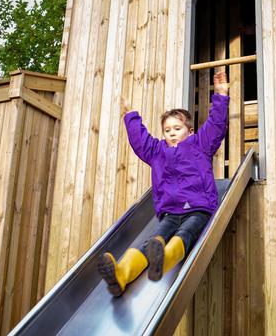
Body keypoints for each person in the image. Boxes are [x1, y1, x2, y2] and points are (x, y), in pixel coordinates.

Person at [97, 71, 229, 297]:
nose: (172, 134)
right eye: (167, 130)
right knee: (153, 240)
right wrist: (129, 114)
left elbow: (216, 125)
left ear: (190, 130)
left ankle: (165, 260)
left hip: (198, 208)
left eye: (177, 129)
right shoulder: (158, 152)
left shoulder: (200, 144)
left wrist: (221, 95)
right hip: (170, 212)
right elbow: (140, 141)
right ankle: (120, 275)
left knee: (186, 232)